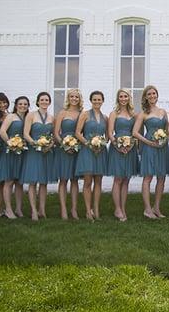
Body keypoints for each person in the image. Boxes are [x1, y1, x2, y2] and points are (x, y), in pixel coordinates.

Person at [133, 85, 169, 219]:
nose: (152, 96)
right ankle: (147, 209)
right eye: (149, 94)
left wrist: (164, 140)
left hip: (162, 147)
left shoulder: (163, 112)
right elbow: (135, 133)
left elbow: (167, 130)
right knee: (148, 177)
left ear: (157, 95)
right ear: (146, 97)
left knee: (162, 177)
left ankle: (157, 207)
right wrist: (148, 142)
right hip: (149, 146)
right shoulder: (143, 113)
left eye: (154, 93)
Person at [21, 92, 56, 221]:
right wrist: (35, 144)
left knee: (43, 182)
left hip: (47, 152)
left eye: (47, 100)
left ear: (49, 102)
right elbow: (25, 134)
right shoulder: (31, 115)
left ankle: (42, 210)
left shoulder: (52, 118)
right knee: (33, 182)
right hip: (34, 151)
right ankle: (33, 211)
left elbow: (53, 135)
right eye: (42, 100)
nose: (44, 102)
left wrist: (50, 144)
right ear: (38, 101)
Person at [75, 91, 109, 221]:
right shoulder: (85, 115)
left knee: (98, 181)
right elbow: (78, 133)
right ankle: (88, 211)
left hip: (100, 151)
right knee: (88, 181)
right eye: (94, 99)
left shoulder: (105, 117)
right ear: (91, 101)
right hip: (88, 151)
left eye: (99, 100)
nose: (97, 102)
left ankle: (96, 209)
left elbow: (107, 135)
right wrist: (89, 144)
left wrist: (103, 143)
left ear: (102, 101)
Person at [107, 89, 139, 222]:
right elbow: (110, 133)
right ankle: (117, 208)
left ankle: (123, 207)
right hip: (117, 148)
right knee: (118, 179)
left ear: (129, 98)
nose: (123, 99)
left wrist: (131, 145)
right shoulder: (114, 113)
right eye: (121, 96)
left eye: (125, 96)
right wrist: (117, 146)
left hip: (130, 148)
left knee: (126, 179)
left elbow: (135, 132)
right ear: (118, 98)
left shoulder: (133, 114)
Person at [53, 89, 83, 220]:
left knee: (75, 180)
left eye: (76, 97)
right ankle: (63, 209)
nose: (74, 99)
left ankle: (74, 209)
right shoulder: (62, 113)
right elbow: (56, 133)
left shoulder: (82, 113)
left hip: (78, 149)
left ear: (79, 99)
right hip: (63, 149)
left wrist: (77, 145)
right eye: (72, 96)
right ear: (68, 98)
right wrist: (65, 145)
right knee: (64, 180)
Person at [0, 96, 29, 219]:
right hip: (11, 152)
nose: (23, 106)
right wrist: (11, 143)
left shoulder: (27, 117)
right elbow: (2, 131)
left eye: (25, 104)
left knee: (19, 182)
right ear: (16, 105)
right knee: (9, 181)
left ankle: (19, 209)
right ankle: (8, 209)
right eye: (20, 104)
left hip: (22, 152)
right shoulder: (11, 117)